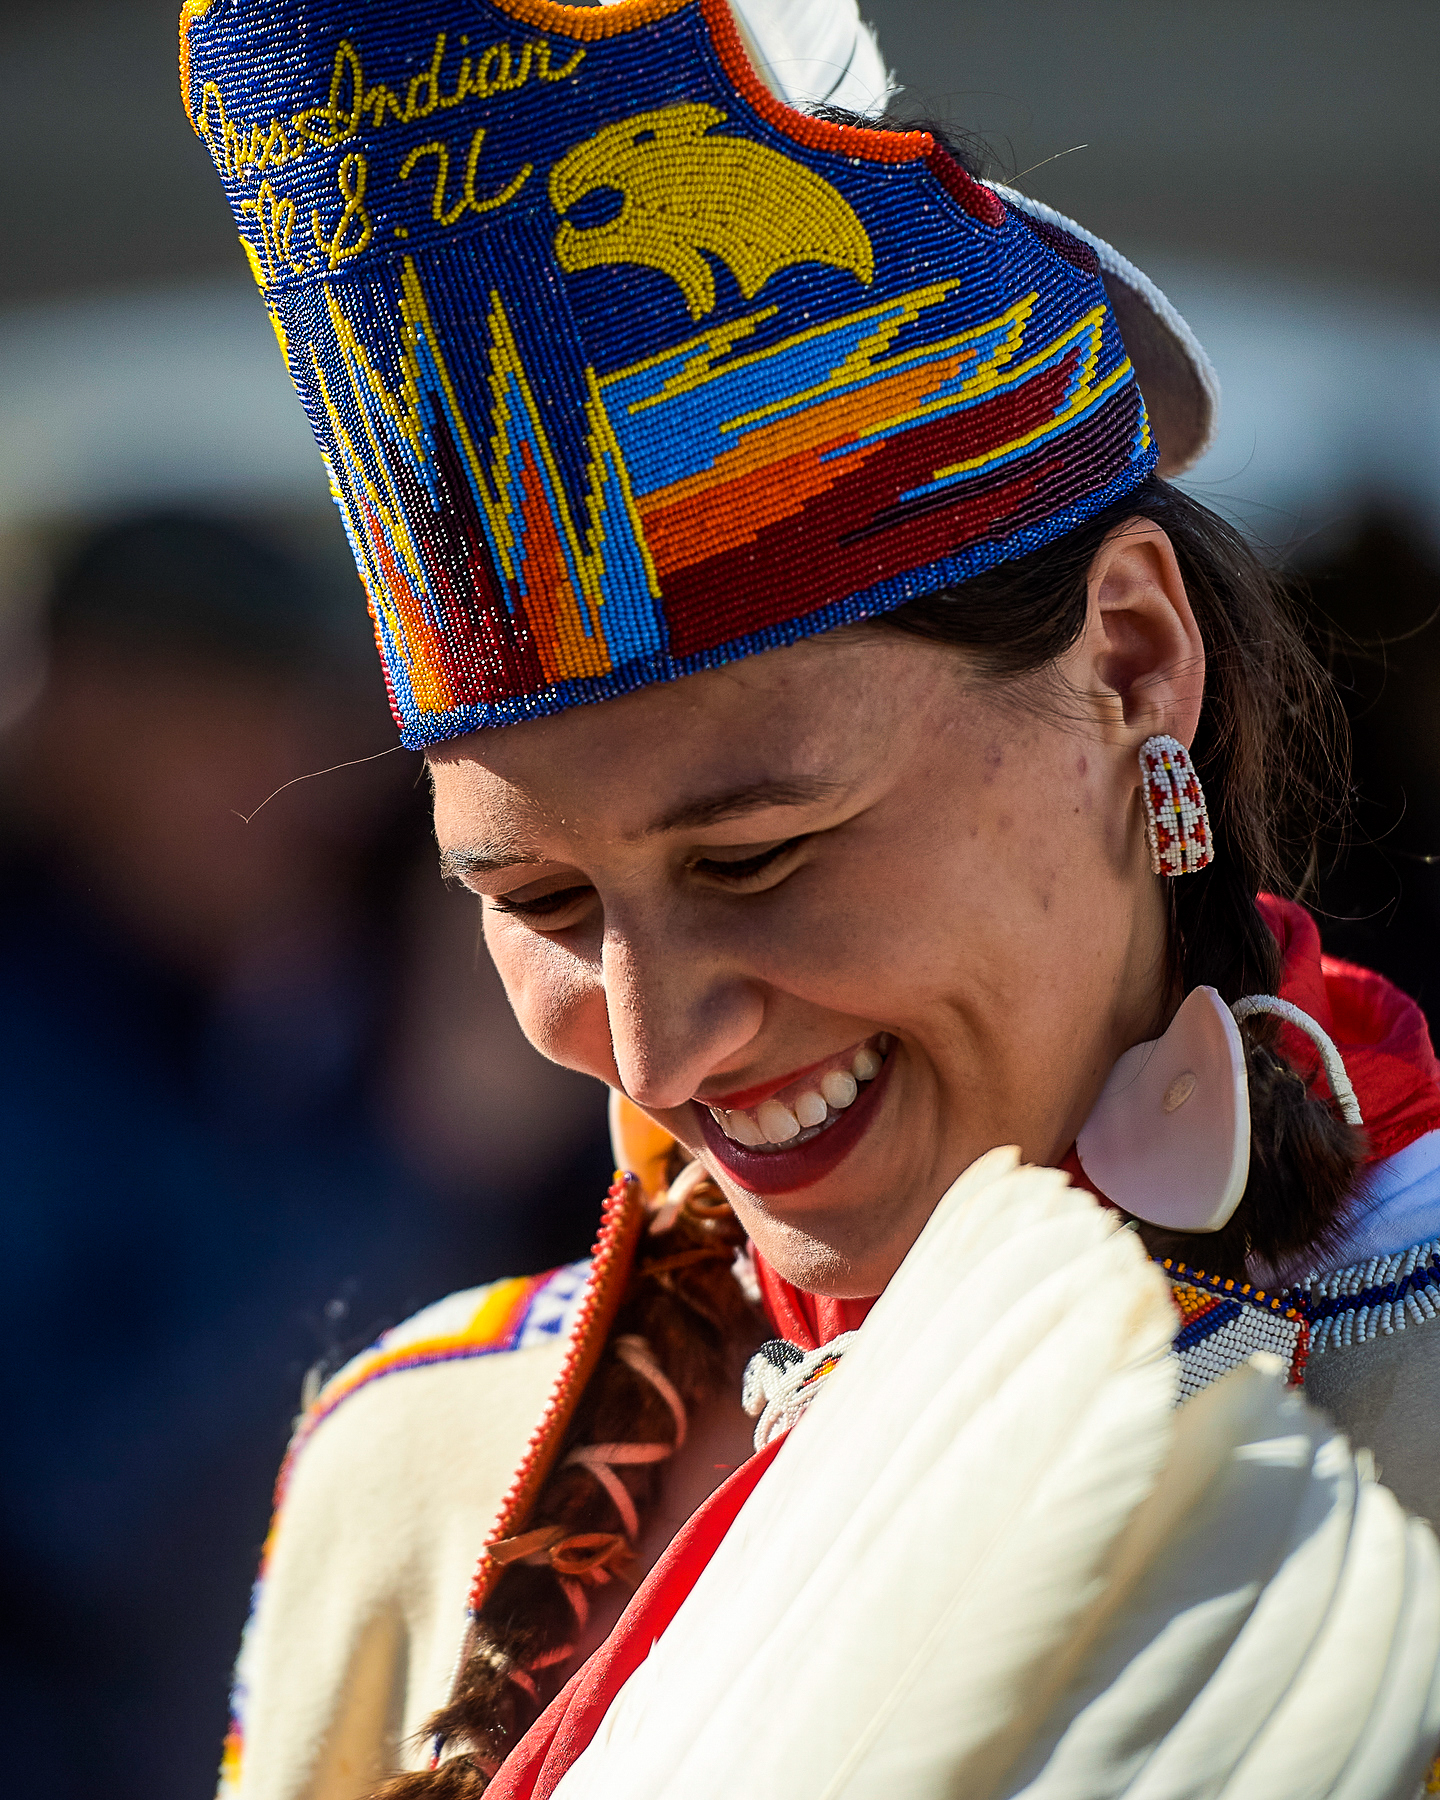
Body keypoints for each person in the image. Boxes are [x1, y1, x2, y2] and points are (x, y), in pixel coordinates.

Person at [182, 0, 1440, 1793]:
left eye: (757, 858)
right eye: (536, 900)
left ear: (1141, 664)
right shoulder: (418, 1471)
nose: (654, 1040)